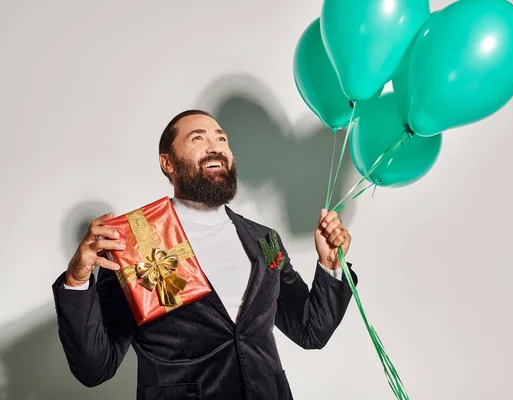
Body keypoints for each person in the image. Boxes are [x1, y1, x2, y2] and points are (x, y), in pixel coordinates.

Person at [51, 109, 358, 400]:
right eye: (197, 138)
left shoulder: (265, 240)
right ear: (167, 163)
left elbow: (310, 331)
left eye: (221, 138)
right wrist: (77, 280)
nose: (214, 147)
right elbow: (95, 368)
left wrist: (330, 266)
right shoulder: (134, 242)